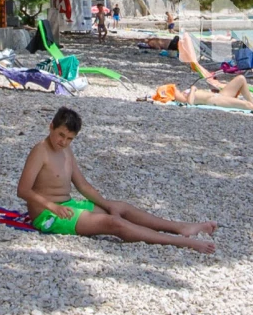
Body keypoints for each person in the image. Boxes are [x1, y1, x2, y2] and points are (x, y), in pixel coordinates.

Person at [16, 107, 216, 253]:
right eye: (60, 135)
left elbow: (82, 185)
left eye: (69, 138)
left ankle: (180, 227)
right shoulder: (40, 151)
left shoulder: (66, 150)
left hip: (67, 205)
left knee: (121, 208)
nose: (63, 141)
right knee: (113, 223)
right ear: (51, 127)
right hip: (47, 215)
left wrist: (108, 204)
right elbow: (23, 190)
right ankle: (182, 242)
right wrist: (52, 206)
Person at [180, 74, 253, 115]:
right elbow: (189, 103)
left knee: (241, 78)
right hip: (214, 101)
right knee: (246, 105)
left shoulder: (181, 93)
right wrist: (193, 89)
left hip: (218, 95)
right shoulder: (181, 97)